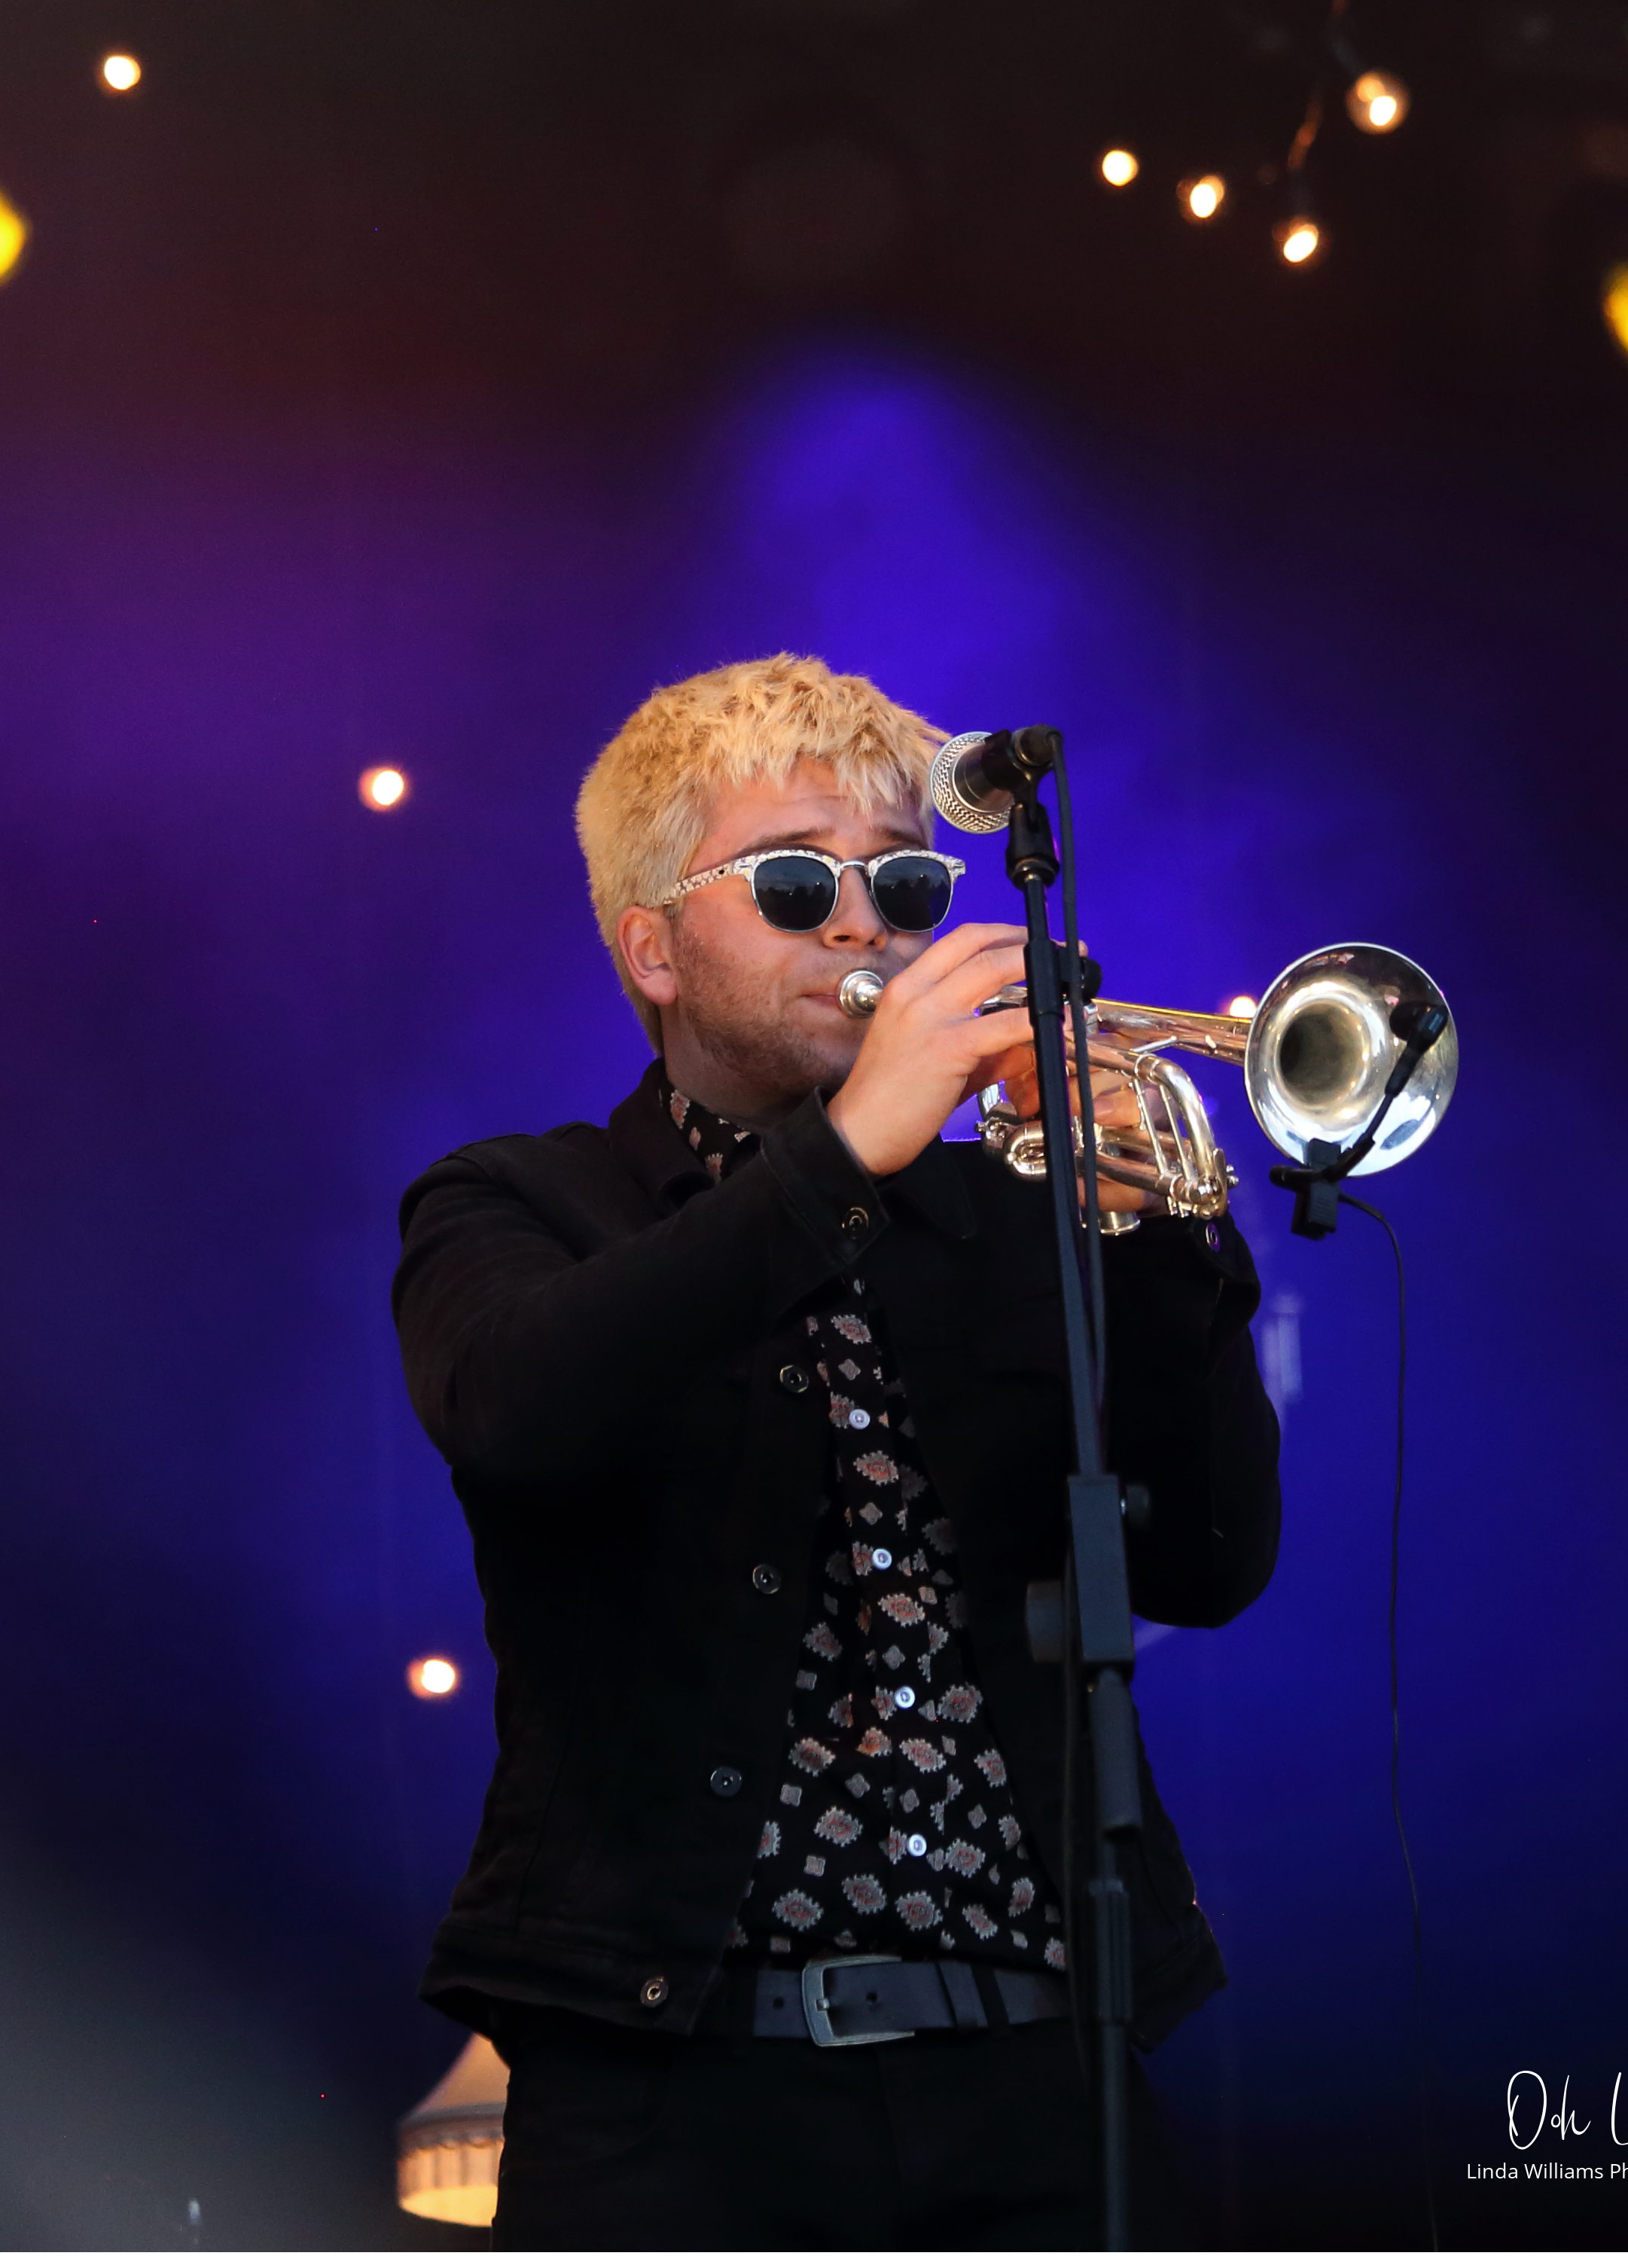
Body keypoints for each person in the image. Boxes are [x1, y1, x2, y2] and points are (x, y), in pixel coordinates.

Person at [393, 651, 1284, 2248]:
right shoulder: (517, 1204)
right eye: (798, 885)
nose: (865, 924)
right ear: (651, 949)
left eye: (906, 882)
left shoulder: (1015, 1223)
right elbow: (520, 1408)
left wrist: (1163, 1251)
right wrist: (856, 1141)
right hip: (682, 2092)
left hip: (1041, 2067)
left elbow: (1210, 1567)